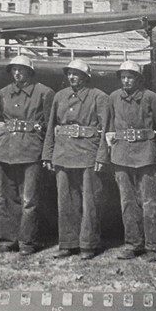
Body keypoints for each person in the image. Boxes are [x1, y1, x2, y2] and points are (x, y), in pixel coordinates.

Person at [99, 61, 156, 262]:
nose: (126, 80)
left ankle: (154, 245)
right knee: (127, 202)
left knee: (149, 202)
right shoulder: (113, 98)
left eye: (130, 76)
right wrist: (107, 154)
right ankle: (133, 244)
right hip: (121, 155)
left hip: (145, 154)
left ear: (139, 78)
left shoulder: (151, 98)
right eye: (123, 77)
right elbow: (108, 128)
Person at [42, 60, 108, 260]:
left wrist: (102, 156)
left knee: (90, 202)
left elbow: (106, 129)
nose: (72, 77)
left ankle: (88, 244)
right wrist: (48, 153)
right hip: (63, 153)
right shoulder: (60, 96)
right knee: (65, 201)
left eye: (76, 74)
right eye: (69, 73)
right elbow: (51, 126)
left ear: (86, 76)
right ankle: (68, 243)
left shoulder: (99, 97)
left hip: (88, 153)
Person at [0, 56, 54, 255]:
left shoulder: (44, 93)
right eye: (14, 70)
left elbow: (50, 126)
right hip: (5, 149)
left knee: (29, 199)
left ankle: (27, 241)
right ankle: (6, 240)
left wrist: (47, 153)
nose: (17, 73)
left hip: (31, 150)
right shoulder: (3, 93)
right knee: (4, 198)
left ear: (30, 72)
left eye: (22, 70)